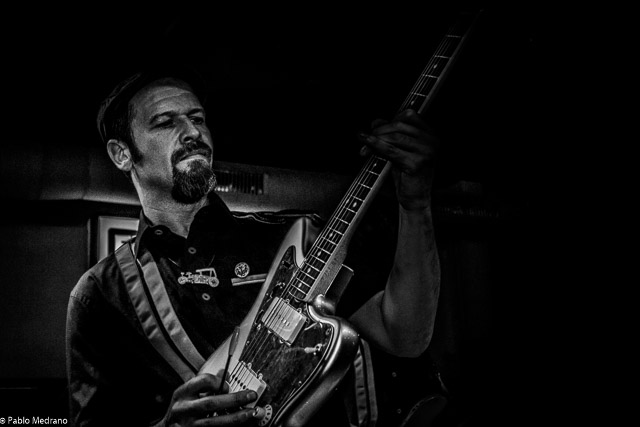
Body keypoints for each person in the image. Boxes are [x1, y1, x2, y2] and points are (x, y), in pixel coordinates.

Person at [65, 65, 442, 426]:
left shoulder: (296, 238)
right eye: (165, 122)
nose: (192, 131)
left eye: (197, 118)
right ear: (122, 154)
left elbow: (403, 335)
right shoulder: (100, 293)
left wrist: (415, 205)